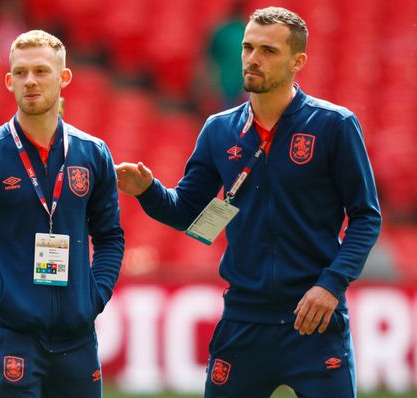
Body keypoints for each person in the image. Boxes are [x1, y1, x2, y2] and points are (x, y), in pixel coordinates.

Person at [116, 7, 381, 398]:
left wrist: (331, 284)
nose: (253, 58)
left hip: (314, 321)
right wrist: (147, 191)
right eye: (248, 47)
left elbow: (365, 217)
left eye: (269, 51)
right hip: (243, 321)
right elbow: (186, 211)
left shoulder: (334, 125)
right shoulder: (219, 129)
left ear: (298, 62)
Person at [0, 30, 124, 397]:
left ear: (64, 77)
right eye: (21, 73)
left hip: (77, 336)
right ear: (8, 82)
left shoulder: (93, 153)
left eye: (41, 71)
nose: (30, 81)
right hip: (11, 336)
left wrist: (96, 294)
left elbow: (110, 237)